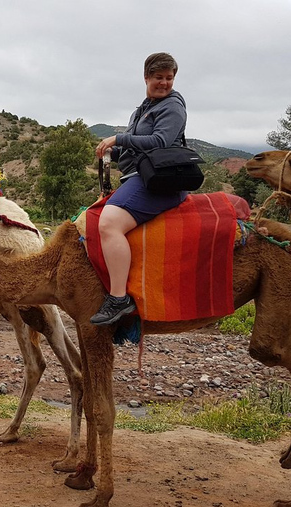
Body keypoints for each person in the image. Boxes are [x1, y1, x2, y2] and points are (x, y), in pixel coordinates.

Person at [89, 52, 189, 325]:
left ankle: (119, 298)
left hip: (160, 181)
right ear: (146, 77)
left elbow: (160, 141)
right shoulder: (142, 109)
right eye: (159, 77)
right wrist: (112, 152)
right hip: (140, 176)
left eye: (169, 78)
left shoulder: (172, 107)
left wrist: (118, 137)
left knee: (109, 223)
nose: (165, 83)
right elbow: (135, 150)